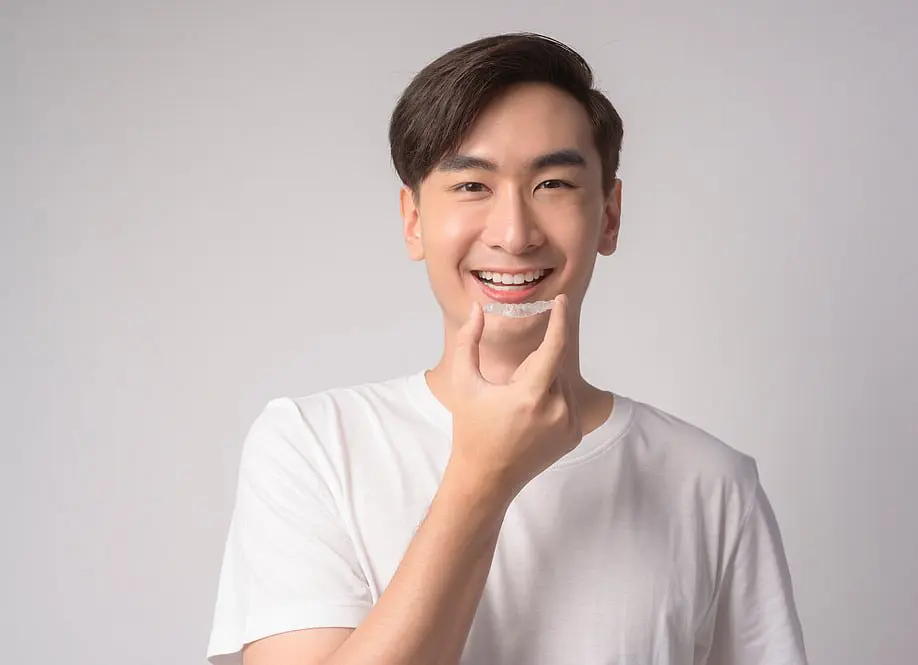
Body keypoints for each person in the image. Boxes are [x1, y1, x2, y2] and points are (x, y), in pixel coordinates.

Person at [206, 32, 808, 665]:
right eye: (472, 186)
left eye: (552, 184)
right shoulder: (314, 447)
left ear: (609, 214)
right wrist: (483, 476)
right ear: (414, 220)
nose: (515, 234)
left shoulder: (711, 483)